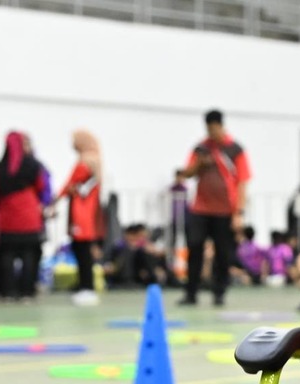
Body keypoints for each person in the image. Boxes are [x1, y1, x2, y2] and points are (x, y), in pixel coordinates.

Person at [175, 108, 250, 306]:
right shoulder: (200, 148)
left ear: (221, 126)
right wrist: (200, 163)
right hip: (200, 209)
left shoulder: (235, 149)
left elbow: (242, 182)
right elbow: (187, 174)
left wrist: (238, 213)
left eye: (215, 128)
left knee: (223, 253)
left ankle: (219, 293)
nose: (212, 132)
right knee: (194, 248)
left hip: (225, 211)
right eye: (209, 129)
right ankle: (191, 293)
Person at [0, 130, 46, 301]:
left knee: (7, 255)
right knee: (29, 255)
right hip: (29, 217)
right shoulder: (34, 165)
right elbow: (41, 186)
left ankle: (8, 291)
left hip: (8, 217)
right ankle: (27, 292)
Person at [56, 128, 105, 304]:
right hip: (88, 212)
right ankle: (84, 285)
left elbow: (70, 183)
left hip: (82, 212)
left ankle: (87, 287)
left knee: (82, 250)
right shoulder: (96, 160)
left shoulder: (85, 162)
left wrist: (55, 200)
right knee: (83, 250)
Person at [107, 222, 169, 288]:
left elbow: (155, 250)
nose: (143, 238)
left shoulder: (144, 246)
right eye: (141, 236)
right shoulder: (119, 246)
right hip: (122, 277)